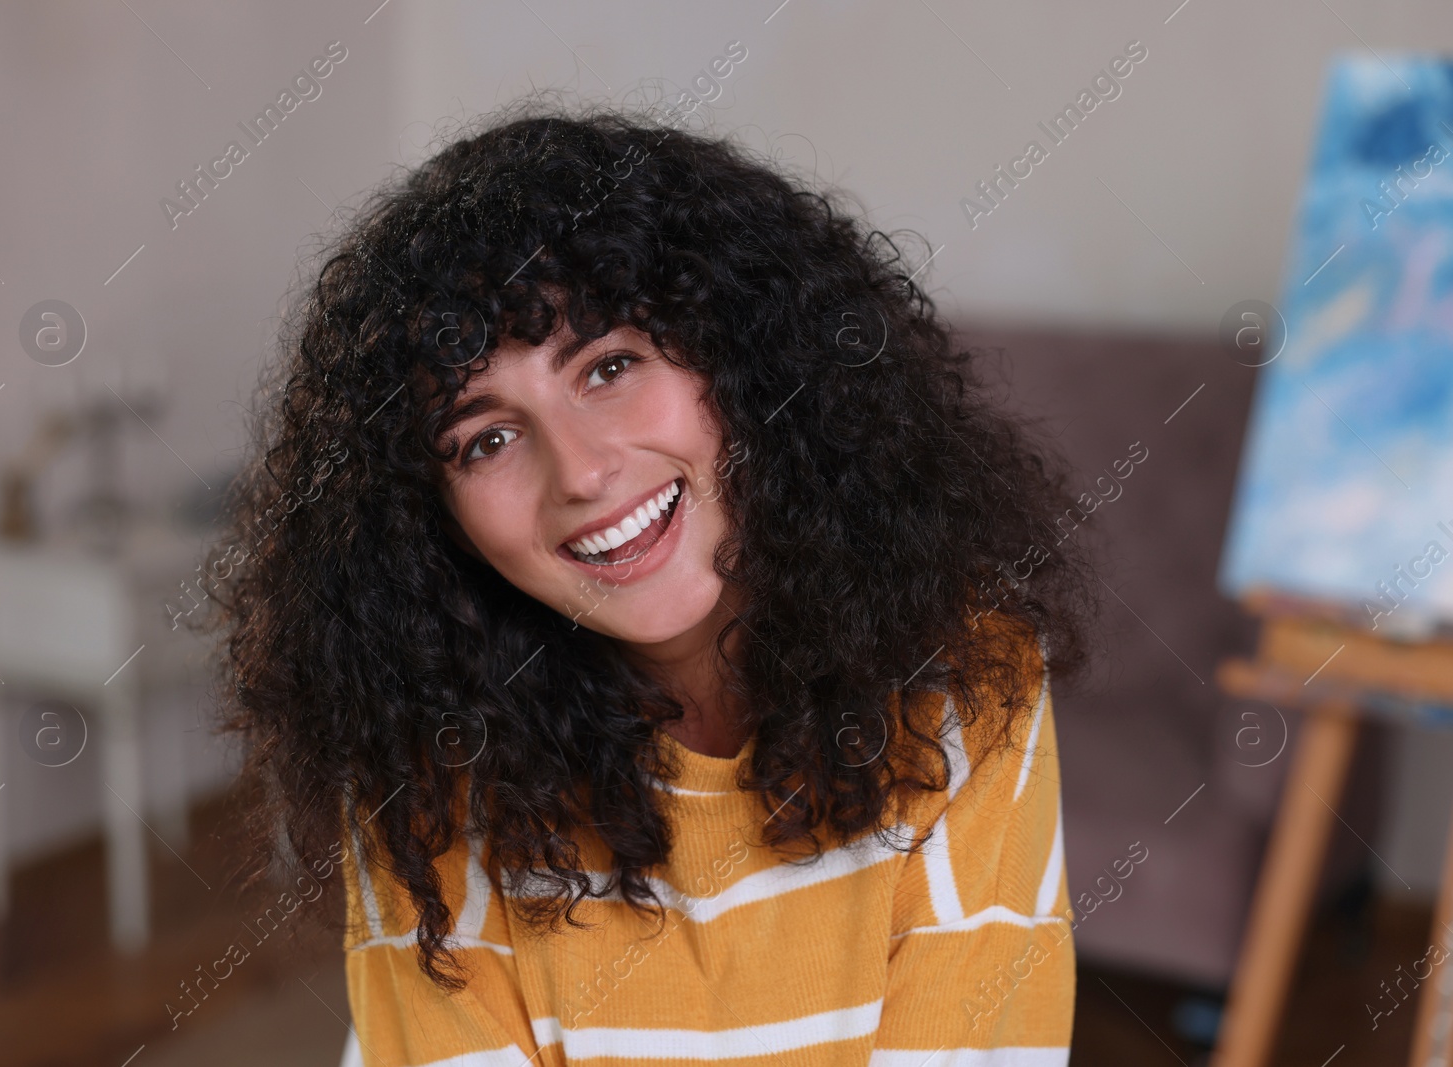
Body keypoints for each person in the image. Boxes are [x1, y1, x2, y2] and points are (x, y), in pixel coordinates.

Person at [211, 103, 1097, 1066]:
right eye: (488, 438)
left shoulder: (966, 678)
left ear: (748, 357)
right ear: (430, 517)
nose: (582, 471)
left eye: (610, 365)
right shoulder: (423, 764)